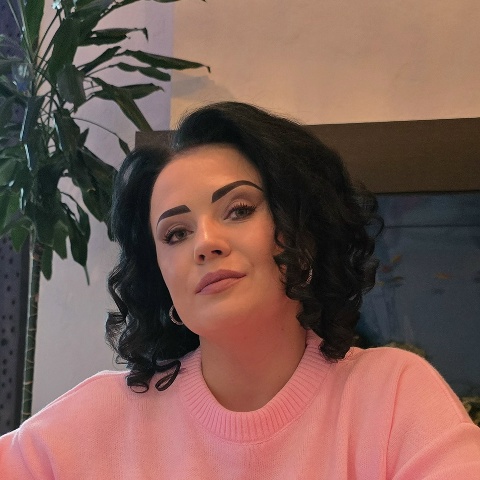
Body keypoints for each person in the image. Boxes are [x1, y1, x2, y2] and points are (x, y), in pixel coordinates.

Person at [1, 102, 479, 479]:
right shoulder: (100, 417)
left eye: (239, 209)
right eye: (176, 234)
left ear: (301, 232)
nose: (205, 243)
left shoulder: (392, 395)